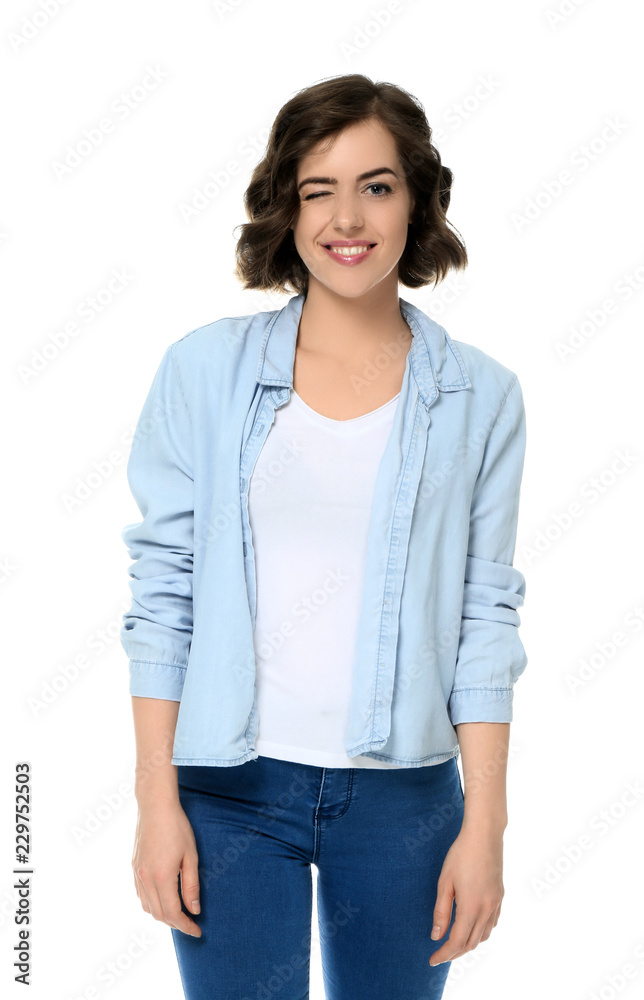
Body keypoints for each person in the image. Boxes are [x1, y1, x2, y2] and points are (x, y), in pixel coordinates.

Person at [120, 73, 528, 1000]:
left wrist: (486, 826)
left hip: (407, 804)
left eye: (377, 185)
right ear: (286, 208)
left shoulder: (483, 398)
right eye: (318, 189)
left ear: (417, 200)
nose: (349, 216)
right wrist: (155, 802)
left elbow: (484, 615)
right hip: (228, 795)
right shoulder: (204, 372)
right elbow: (164, 596)